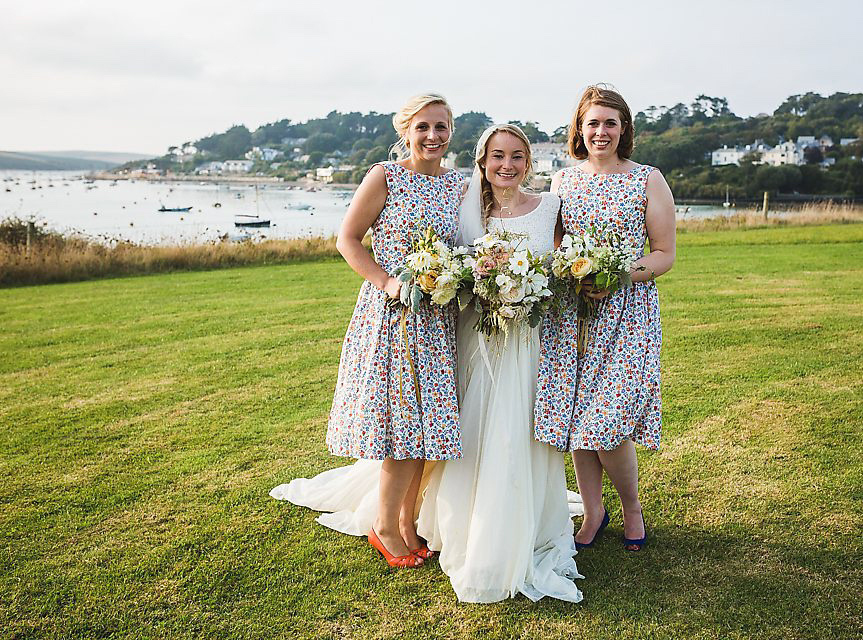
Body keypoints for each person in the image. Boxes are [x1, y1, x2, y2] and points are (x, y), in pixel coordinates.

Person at [271, 124, 582, 603]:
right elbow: (354, 239)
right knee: (419, 427)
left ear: (529, 162)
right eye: (497, 155)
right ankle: (396, 522)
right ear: (481, 161)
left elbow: (565, 261)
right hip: (435, 325)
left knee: (440, 428)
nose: (507, 164)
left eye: (517, 155)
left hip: (481, 334)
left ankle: (415, 520)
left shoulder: (529, 204)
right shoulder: (450, 199)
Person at [274, 93, 465, 569]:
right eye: (423, 127)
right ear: (406, 130)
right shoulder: (386, 175)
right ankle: (383, 527)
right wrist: (387, 281)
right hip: (392, 315)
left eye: (441, 127)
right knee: (401, 426)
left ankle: (406, 524)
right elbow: (348, 239)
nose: (433, 137)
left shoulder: (459, 185)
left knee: (427, 427)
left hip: (440, 319)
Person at [535, 85, 676, 552]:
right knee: (577, 418)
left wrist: (619, 275)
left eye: (610, 123)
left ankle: (631, 507)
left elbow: (664, 255)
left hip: (628, 312)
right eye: (592, 122)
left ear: (624, 129)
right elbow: (555, 249)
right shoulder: (562, 182)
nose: (600, 131)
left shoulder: (648, 179)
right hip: (571, 315)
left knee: (607, 422)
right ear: (579, 128)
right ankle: (594, 512)